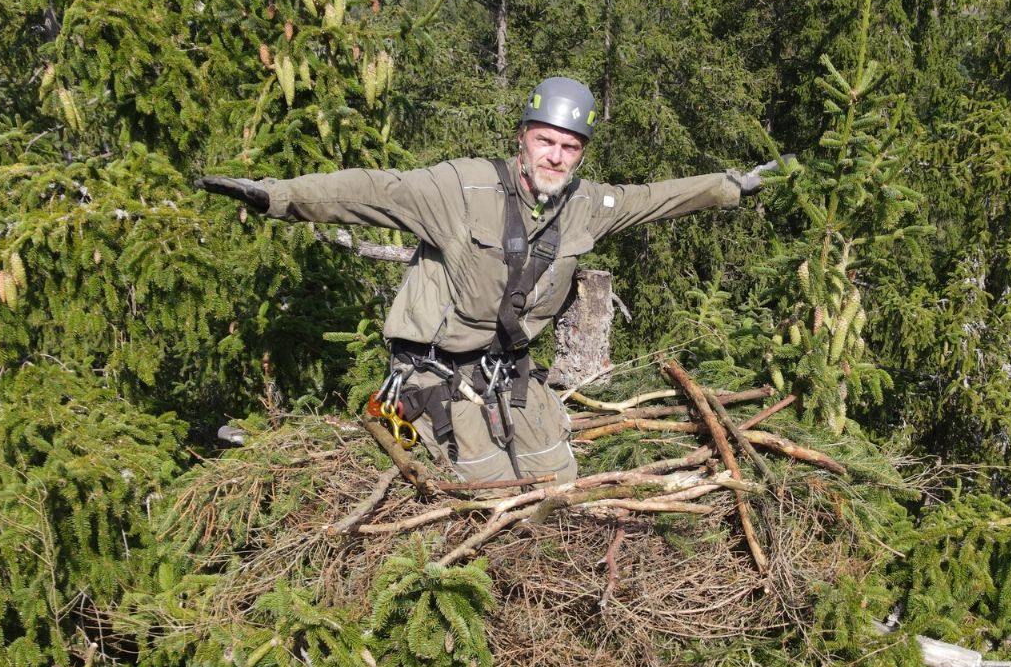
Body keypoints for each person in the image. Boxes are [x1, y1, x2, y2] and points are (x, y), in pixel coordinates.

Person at [197, 76, 784, 484]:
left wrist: (735, 185)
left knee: (556, 476)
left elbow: (659, 198)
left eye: (569, 147)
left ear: (580, 155)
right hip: (435, 371)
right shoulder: (460, 190)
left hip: (505, 369)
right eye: (546, 140)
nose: (555, 156)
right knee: (489, 491)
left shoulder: (586, 205)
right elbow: (370, 191)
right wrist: (277, 196)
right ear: (523, 137)